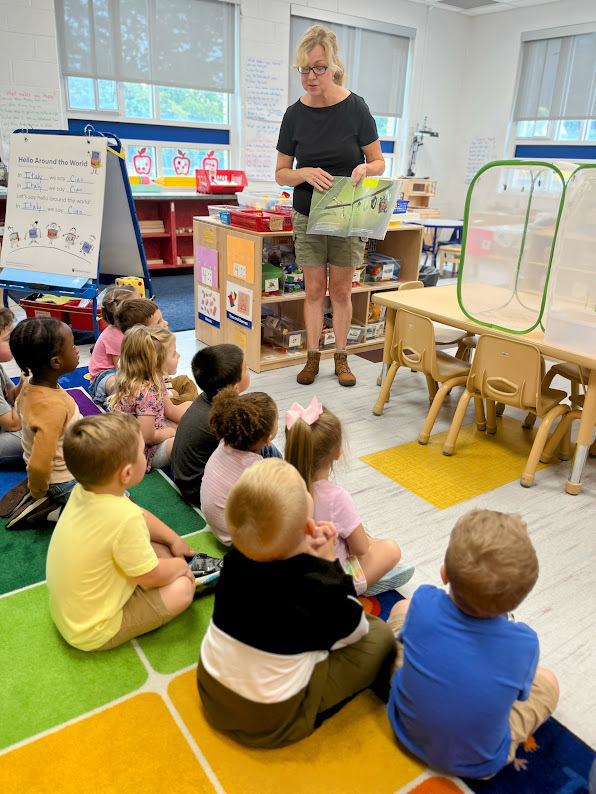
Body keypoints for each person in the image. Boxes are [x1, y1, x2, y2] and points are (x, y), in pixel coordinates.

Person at [197, 458, 398, 747]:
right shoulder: (314, 585)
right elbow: (356, 630)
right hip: (271, 721)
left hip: (211, 692)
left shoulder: (234, 561)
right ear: (307, 528)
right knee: (379, 635)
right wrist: (329, 567)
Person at [387, 509, 559, 779]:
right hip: (479, 762)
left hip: (404, 728)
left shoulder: (424, 601)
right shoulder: (525, 644)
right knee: (548, 680)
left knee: (402, 607)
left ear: (444, 574)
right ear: (517, 599)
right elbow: (519, 697)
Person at [275, 25, 385, 388]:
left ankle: (341, 357)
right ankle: (311, 358)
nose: (310, 76)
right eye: (304, 69)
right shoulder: (294, 114)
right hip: (307, 214)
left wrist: (365, 169)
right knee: (312, 291)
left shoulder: (356, 108)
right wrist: (303, 173)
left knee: (340, 291)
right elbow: (281, 174)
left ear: (334, 66)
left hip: (347, 216)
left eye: (318, 68)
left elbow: (378, 162)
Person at [46, 412, 198, 651]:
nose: (144, 453)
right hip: (92, 630)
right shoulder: (124, 519)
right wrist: (180, 566)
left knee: (159, 546)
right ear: (126, 473)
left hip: (71, 610)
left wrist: (174, 539)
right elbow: (149, 576)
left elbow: (138, 514)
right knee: (183, 588)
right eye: (142, 451)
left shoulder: (84, 491)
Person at [284, 397, 414, 596]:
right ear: (337, 453)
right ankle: (365, 583)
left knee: (364, 535)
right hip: (327, 584)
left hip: (289, 575)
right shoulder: (336, 497)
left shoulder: (279, 485)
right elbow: (360, 549)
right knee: (390, 548)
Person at [171, 344, 279, 508]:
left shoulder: (207, 399)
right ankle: (287, 480)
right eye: (245, 368)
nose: (248, 369)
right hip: (199, 491)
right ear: (235, 387)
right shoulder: (225, 418)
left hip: (185, 480)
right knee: (265, 444)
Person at [6, 318, 81, 529]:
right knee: (120, 507)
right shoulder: (52, 407)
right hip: (65, 478)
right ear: (56, 362)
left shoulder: (31, 384)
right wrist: (38, 490)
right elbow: (40, 463)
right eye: (72, 346)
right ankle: (50, 508)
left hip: (66, 464)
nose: (77, 350)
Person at [200, 387, 279, 545]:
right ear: (268, 438)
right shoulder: (256, 469)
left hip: (218, 528)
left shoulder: (224, 443)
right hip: (240, 542)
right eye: (277, 420)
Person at [108, 325, 190, 471]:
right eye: (173, 354)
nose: (178, 355)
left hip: (149, 430)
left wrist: (195, 420)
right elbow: (147, 436)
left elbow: (170, 411)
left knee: (189, 406)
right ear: (156, 363)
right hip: (142, 451)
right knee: (182, 443)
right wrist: (170, 432)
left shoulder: (153, 380)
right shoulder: (147, 393)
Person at [87, 284, 142, 406]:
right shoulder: (116, 336)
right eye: (139, 305)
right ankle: (120, 399)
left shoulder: (130, 329)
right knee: (121, 383)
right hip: (103, 376)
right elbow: (121, 368)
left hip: (125, 369)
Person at [0, 307, 24, 465]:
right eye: (9, 339)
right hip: (7, 427)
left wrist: (23, 381)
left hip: (4, 426)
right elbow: (14, 424)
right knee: (40, 436)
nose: (14, 342)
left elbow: (12, 397)